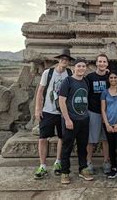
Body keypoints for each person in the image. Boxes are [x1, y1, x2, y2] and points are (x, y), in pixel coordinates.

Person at [33, 49, 74, 179]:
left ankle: (58, 162)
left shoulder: (69, 73)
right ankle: (42, 165)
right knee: (43, 137)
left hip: (62, 112)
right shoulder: (48, 73)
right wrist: (38, 108)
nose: (64, 61)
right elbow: (40, 91)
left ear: (68, 62)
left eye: (67, 59)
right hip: (48, 110)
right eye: (62, 58)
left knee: (62, 137)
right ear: (58, 60)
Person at [57, 58, 92, 184]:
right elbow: (61, 100)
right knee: (67, 147)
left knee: (83, 147)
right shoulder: (68, 81)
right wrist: (67, 119)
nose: (81, 68)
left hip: (84, 119)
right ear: (73, 68)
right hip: (70, 120)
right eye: (79, 66)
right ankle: (65, 172)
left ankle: (83, 169)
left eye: (83, 66)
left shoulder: (85, 81)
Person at [85, 54, 111, 174]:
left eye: (104, 62)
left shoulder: (110, 77)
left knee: (106, 139)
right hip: (93, 111)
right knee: (91, 139)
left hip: (107, 112)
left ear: (107, 64)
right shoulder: (90, 77)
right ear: (96, 63)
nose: (102, 64)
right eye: (100, 61)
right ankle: (89, 161)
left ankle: (106, 161)